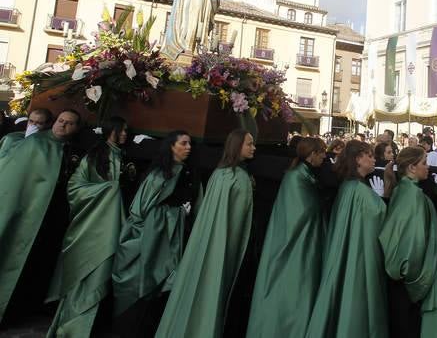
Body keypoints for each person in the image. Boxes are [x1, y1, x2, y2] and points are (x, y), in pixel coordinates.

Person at [155, 129, 255, 338]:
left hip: (206, 246)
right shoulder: (238, 178)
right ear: (237, 146)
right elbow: (236, 226)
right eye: (249, 144)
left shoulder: (220, 174)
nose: (253, 148)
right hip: (224, 249)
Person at [47, 117, 128, 337]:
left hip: (109, 227)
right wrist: (108, 190)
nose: (125, 135)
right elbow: (75, 187)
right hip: (90, 227)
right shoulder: (97, 155)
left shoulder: (120, 156)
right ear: (113, 131)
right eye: (123, 131)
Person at [0, 109, 82, 325]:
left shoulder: (69, 150)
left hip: (47, 220)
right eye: (60, 120)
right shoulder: (34, 144)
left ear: (76, 128)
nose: (62, 125)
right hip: (24, 214)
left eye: (69, 123)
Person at [113, 131, 198, 337]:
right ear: (171, 146)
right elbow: (142, 212)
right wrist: (178, 213)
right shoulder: (158, 174)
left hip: (169, 242)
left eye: (190, 144)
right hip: (148, 242)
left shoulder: (186, 172)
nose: (189, 147)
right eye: (183, 143)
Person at [380, 146, 437, 338]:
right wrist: (416, 283)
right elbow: (413, 243)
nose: (428, 167)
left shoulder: (402, 189)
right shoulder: (414, 196)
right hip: (410, 282)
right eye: (424, 163)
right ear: (411, 168)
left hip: (400, 282)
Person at [305, 140, 388, 337]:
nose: (374, 158)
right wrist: (382, 199)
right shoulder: (359, 191)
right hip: (359, 261)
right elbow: (382, 220)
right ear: (358, 159)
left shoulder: (349, 187)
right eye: (369, 155)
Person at [247, 137, 327, 338]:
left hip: (303, 242)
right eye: (322, 152)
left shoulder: (304, 175)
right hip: (295, 246)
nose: (325, 157)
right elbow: (303, 212)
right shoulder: (297, 177)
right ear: (311, 154)